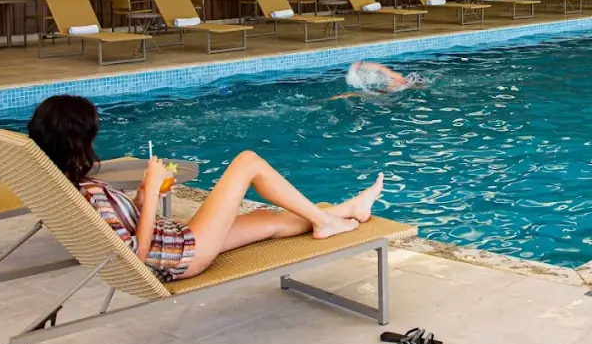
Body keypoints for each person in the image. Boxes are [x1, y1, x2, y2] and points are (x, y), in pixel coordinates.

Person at [27, 95, 383, 282]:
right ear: (78, 139)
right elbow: (133, 257)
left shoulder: (69, 186)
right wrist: (150, 192)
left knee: (268, 219)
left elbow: (128, 229)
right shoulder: (89, 196)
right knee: (248, 162)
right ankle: (326, 222)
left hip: (176, 242)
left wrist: (142, 197)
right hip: (183, 256)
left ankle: (347, 209)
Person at [331, 61, 423, 99]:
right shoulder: (397, 78)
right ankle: (344, 95)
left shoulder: (398, 81)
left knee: (364, 94)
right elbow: (380, 68)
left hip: (386, 93)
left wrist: (361, 65)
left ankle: (344, 95)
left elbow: (380, 68)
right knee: (364, 94)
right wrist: (361, 65)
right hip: (386, 93)